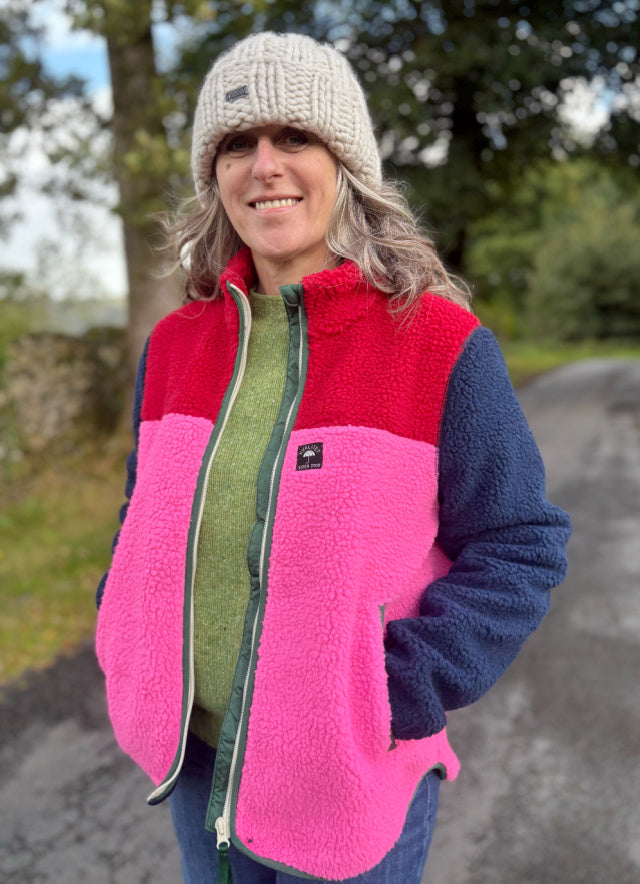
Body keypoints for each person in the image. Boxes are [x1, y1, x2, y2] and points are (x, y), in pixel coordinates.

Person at [96, 31, 571, 884]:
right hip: (196, 761)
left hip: (350, 779)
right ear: (213, 177)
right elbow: (141, 514)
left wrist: (397, 690)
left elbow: (520, 542)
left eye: (295, 137)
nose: (264, 166)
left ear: (345, 163)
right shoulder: (173, 346)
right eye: (236, 145)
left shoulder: (437, 345)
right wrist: (121, 627)